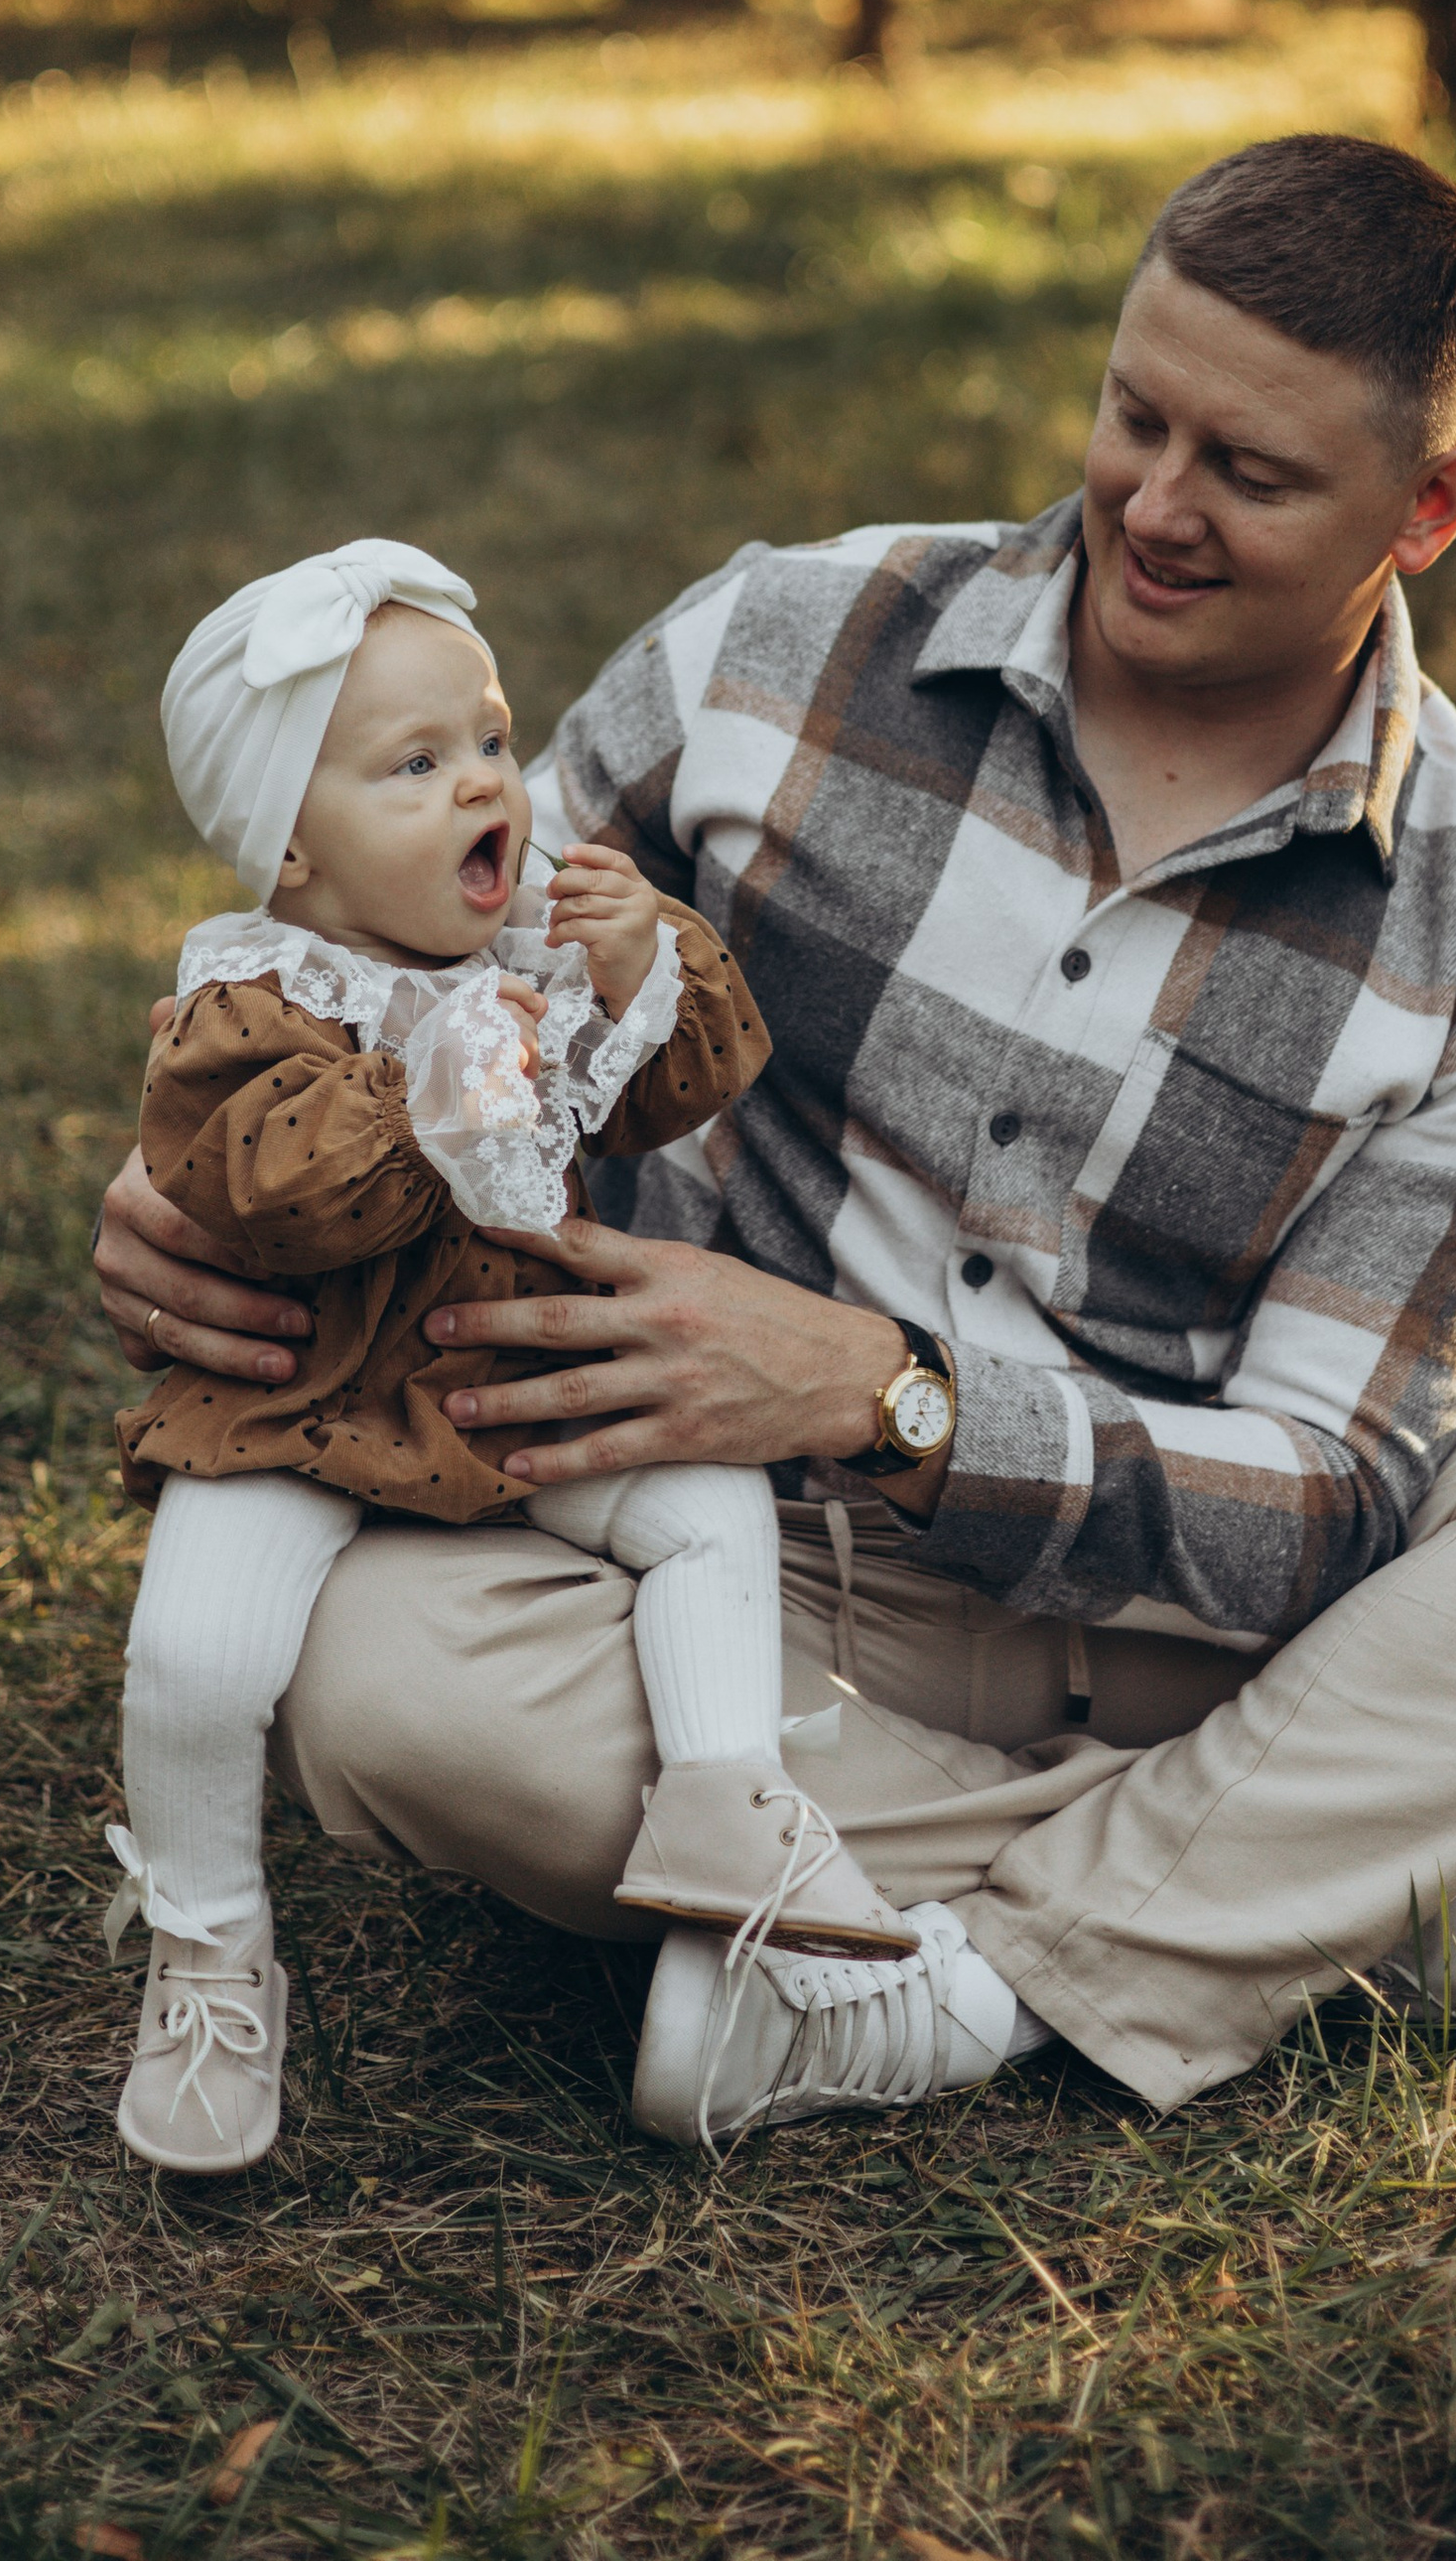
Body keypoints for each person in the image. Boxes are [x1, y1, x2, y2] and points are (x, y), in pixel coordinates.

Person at [93, 135, 1456, 2148]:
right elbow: (407, 979)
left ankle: (973, 1984)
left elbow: (1336, 1505)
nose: (1154, 508)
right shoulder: (777, 644)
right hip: (731, 1597)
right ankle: (1335, 1885)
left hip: (1179, 1619)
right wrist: (191, 1188)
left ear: (1427, 506)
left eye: (1250, 472)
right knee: (386, 1687)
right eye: (1134, 417)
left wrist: (891, 1399)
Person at [107, 537, 908, 2176]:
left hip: (513, 1390)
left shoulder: (531, 962)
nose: (487, 781)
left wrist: (639, 968)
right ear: (293, 859)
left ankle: (724, 1793)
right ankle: (205, 1949)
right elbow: (262, 1187)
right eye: (415, 765)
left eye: (487, 735)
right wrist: (430, 1082)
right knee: (195, 1651)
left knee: (704, 1496)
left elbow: (669, 1088)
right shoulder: (256, 998)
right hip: (311, 1406)